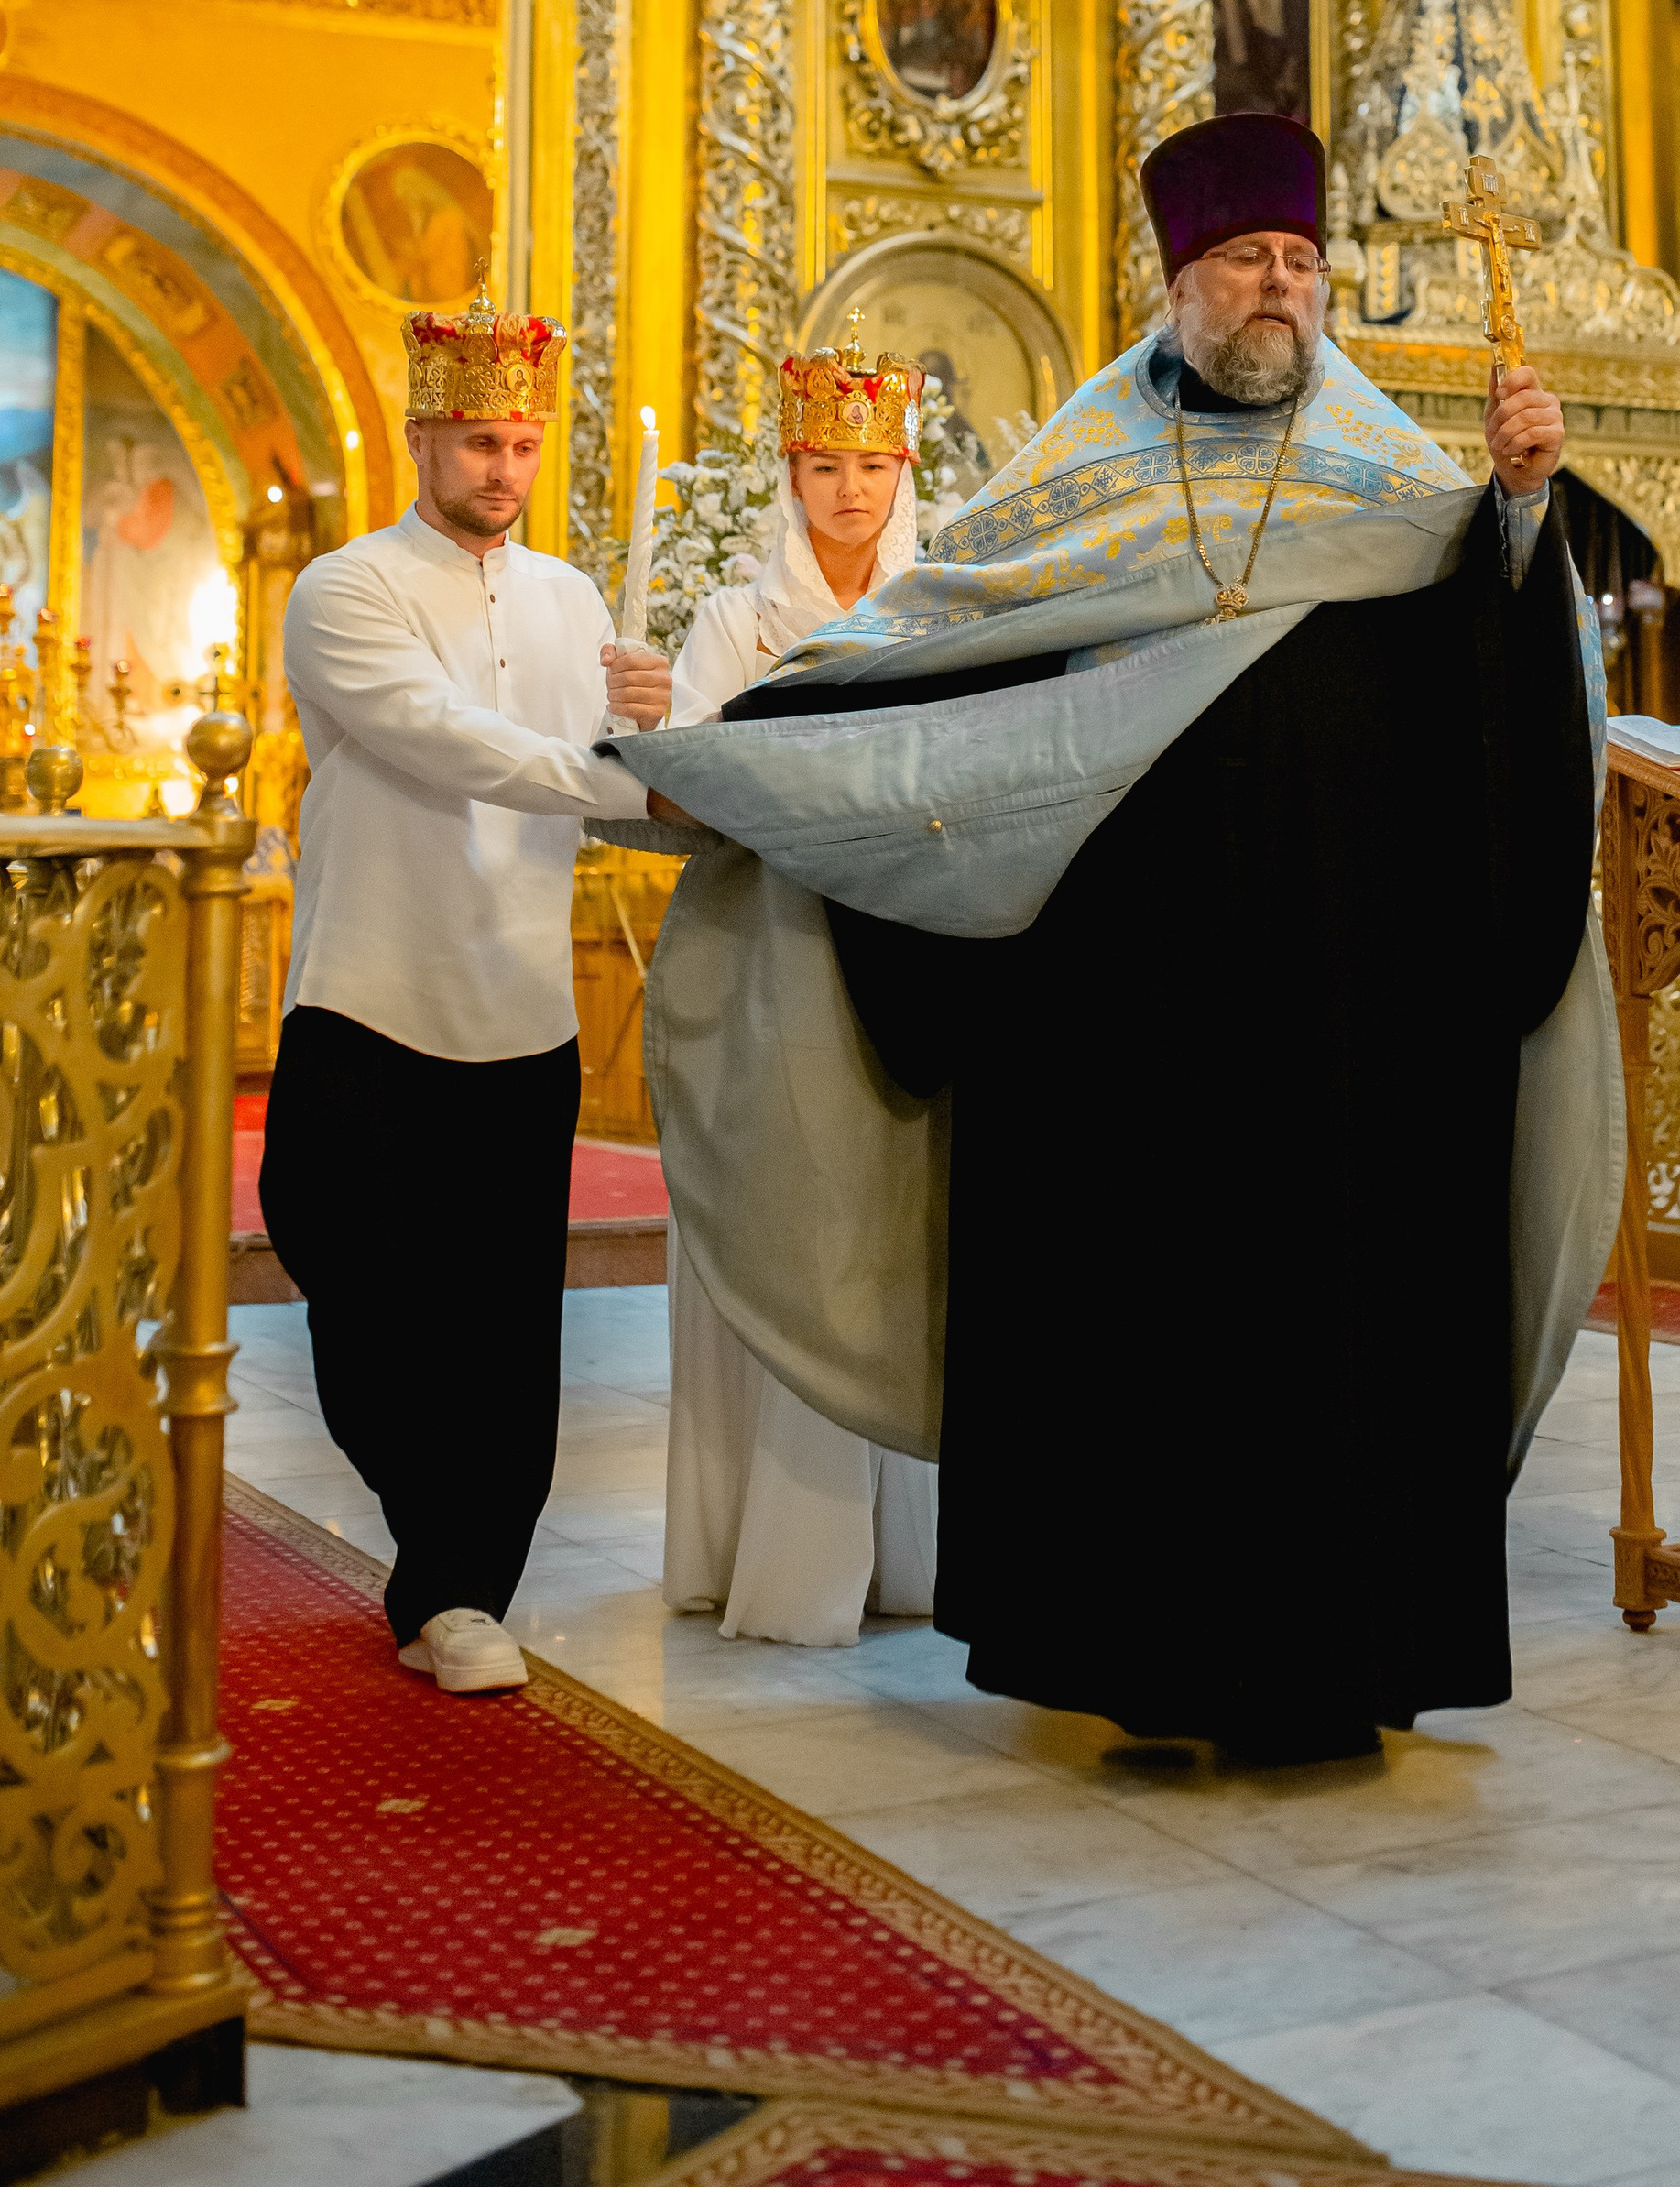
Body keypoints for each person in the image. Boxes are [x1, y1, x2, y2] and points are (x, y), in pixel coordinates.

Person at [629, 114, 1618, 1766]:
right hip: (1113, 1010)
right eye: (1247, 261)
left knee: (1337, 1340)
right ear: (1179, 282)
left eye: (1301, 264)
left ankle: (1329, 1671)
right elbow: (931, 667)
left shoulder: (1405, 484)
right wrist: (765, 753)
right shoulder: (1073, 477)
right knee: (1133, 1337)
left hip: (1345, 1015)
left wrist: (1519, 514)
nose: (1279, 291)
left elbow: (1498, 698)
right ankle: (1136, 1663)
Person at [261, 291, 671, 1694]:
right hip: (368, 998)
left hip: (521, 1010)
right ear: (422, 438)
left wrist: (660, 730)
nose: (503, 466)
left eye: (522, 442)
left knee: (506, 1328)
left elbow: (609, 764)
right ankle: (437, 1535)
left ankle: (460, 1589)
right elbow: (446, 741)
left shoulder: (569, 598)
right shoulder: (346, 589)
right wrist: (617, 772)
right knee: (348, 1275)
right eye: (478, 441)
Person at [662, 334, 938, 1646]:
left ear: (905, 470)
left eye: (872, 464)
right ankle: (776, 1555)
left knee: (895, 1225)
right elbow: (705, 782)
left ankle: (913, 1558)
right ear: (791, 472)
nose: (849, 490)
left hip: (908, 945)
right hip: (776, 943)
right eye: (825, 464)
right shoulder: (737, 619)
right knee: (789, 1215)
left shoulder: (944, 607)